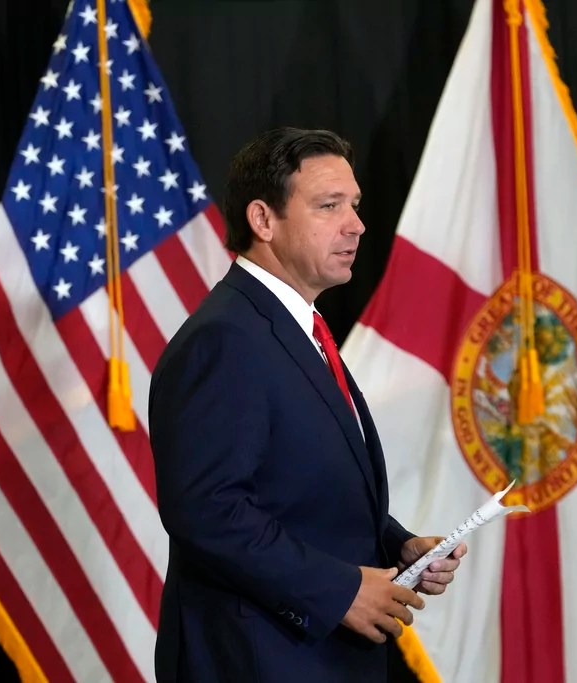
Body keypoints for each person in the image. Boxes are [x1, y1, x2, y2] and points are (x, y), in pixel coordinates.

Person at [149, 126, 466, 682]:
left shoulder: (298, 329)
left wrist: (397, 545)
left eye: (355, 205)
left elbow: (296, 487)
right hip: (260, 662)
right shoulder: (225, 338)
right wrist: (341, 590)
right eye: (329, 206)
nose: (357, 225)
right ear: (263, 220)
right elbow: (206, 510)